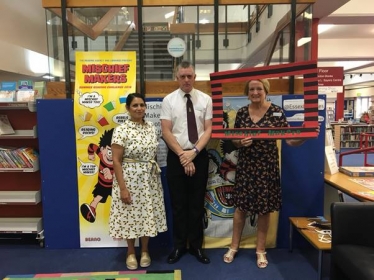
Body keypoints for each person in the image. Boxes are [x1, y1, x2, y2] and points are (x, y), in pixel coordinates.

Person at [223, 79, 318, 268]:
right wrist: (240, 143)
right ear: (247, 92)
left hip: (267, 168)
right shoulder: (242, 113)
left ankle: (260, 250)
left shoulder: (276, 112)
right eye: (251, 89)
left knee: (264, 211)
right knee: (240, 208)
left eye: (259, 88)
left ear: (266, 90)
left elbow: (290, 141)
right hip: (246, 167)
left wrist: (305, 136)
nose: (255, 92)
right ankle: (233, 247)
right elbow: (234, 140)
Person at [160, 60, 213, 264]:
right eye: (182, 76)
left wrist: (195, 152)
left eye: (189, 76)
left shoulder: (205, 100)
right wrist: (183, 155)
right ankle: (179, 246)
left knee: (197, 205)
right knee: (179, 205)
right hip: (176, 156)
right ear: (177, 78)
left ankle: (197, 247)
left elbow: (208, 129)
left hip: (199, 156)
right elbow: (166, 130)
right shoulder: (169, 100)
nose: (186, 79)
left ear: (195, 77)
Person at [109, 93, 167, 270]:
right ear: (128, 108)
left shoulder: (151, 127)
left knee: (146, 214)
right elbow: (116, 161)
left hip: (149, 180)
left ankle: (145, 250)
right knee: (129, 216)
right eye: (135, 105)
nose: (139, 108)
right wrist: (123, 188)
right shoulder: (121, 130)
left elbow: (154, 153)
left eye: (142, 105)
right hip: (129, 179)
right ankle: (130, 252)